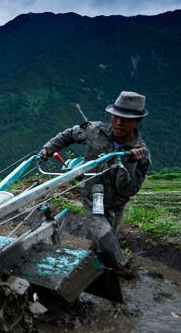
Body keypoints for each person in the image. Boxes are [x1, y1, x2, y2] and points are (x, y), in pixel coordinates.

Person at [38, 91, 150, 274]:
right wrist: (47, 149)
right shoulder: (95, 131)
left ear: (137, 121)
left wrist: (130, 165)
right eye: (116, 117)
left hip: (116, 204)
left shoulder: (140, 154)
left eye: (126, 119)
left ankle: (95, 268)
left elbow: (130, 190)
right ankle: (125, 271)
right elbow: (69, 135)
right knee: (105, 236)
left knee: (105, 242)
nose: (119, 123)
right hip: (92, 197)